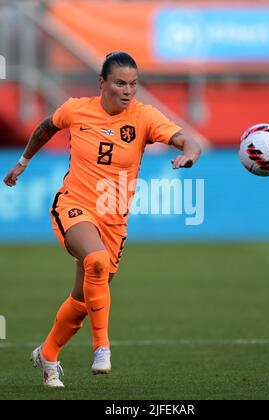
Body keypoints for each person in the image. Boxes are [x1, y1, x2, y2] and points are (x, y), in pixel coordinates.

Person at [3, 52, 201, 388]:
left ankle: (48, 354)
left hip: (113, 222)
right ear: (102, 84)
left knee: (82, 302)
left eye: (134, 85)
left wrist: (189, 155)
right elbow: (45, 127)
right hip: (74, 206)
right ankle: (102, 348)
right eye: (120, 83)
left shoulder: (144, 116)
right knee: (95, 260)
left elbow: (188, 140)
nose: (128, 91)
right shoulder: (76, 109)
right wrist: (22, 162)